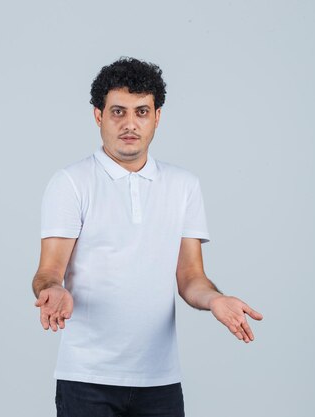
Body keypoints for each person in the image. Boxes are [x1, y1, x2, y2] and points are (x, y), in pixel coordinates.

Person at [32, 57, 263, 417]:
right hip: (87, 378)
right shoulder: (71, 182)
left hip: (159, 380)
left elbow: (190, 277)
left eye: (142, 112)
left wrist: (215, 300)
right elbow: (48, 272)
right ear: (98, 116)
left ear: (157, 117)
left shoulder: (184, 185)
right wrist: (53, 290)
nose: (130, 124)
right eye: (118, 112)